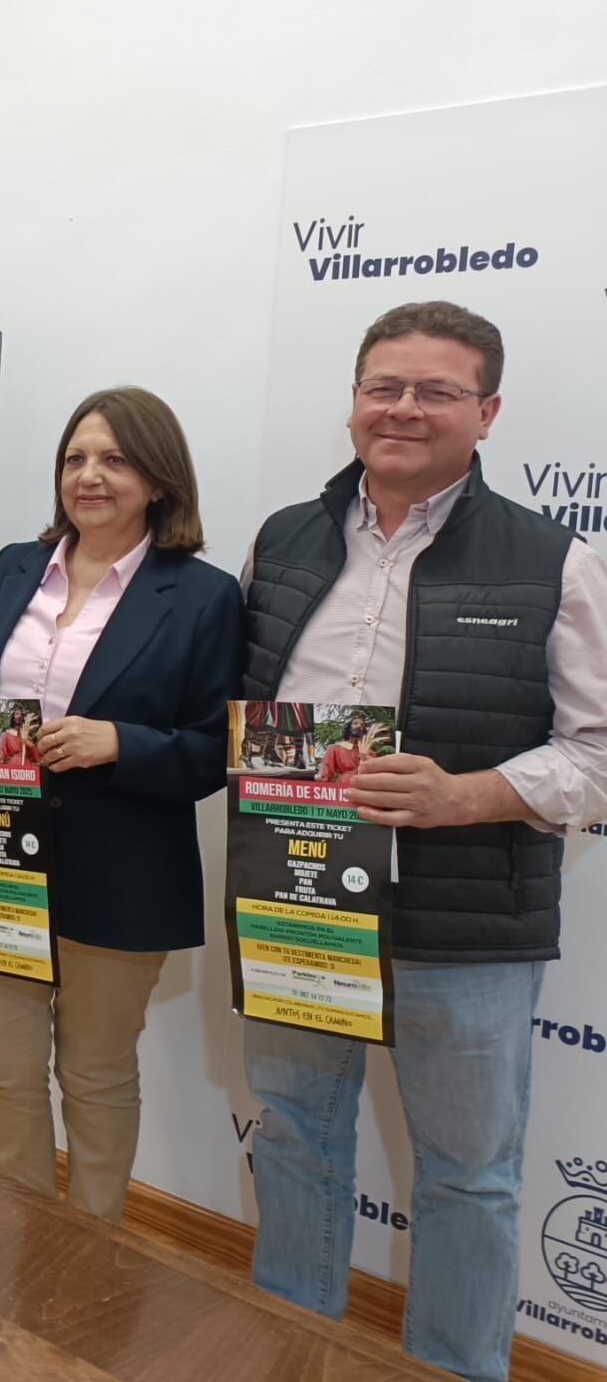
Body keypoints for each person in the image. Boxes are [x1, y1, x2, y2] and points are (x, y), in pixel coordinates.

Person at [240, 301, 607, 1382]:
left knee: (466, 1178)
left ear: (485, 412)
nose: (402, 408)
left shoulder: (556, 560)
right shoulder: (281, 540)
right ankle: (289, 1357)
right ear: (353, 401)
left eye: (436, 391)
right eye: (383, 387)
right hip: (301, 904)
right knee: (293, 1140)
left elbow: (598, 752)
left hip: (466, 923)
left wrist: (472, 794)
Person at [0, 386, 241, 1223]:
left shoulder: (203, 595)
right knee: (3, 1072)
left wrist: (121, 743)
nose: (90, 476)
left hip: (123, 875)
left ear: (159, 480)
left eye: (115, 459)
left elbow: (218, 749)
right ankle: (20, 1240)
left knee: (95, 1077)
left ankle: (89, 1255)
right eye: (76, 458)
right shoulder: (14, 568)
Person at [314, 715, 373, 784]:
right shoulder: (334, 748)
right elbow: (326, 769)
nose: (359, 726)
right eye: (355, 723)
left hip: (364, 784)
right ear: (348, 727)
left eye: (362, 725)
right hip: (345, 784)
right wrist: (321, 777)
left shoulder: (368, 751)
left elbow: (375, 769)